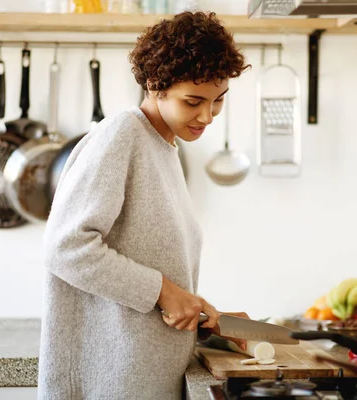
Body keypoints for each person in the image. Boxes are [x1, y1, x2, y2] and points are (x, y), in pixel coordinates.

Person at [38, 11, 251, 400]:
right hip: (112, 382)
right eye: (193, 101)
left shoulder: (163, 147)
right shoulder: (121, 136)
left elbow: (149, 264)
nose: (207, 116)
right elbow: (65, 247)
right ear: (156, 86)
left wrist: (200, 311)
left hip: (144, 376)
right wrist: (166, 292)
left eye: (218, 101)